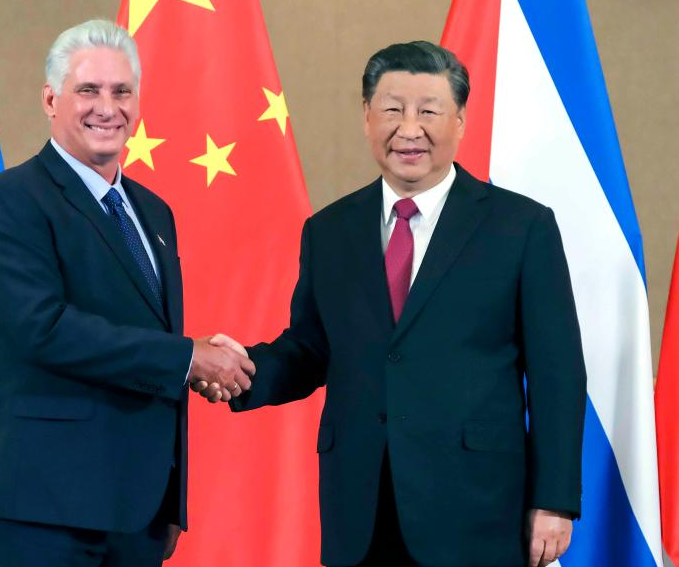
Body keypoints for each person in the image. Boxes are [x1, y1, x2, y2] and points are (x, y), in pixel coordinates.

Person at [200, 41, 586, 567]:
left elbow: (557, 373)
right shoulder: (329, 231)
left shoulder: (521, 227)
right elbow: (312, 349)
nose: (409, 129)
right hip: (361, 506)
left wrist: (554, 501)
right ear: (366, 117)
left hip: (476, 507)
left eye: (428, 110)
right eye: (391, 109)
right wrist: (243, 371)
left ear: (460, 120)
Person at [0, 19, 253, 567]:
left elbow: (151, 339)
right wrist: (189, 357)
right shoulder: (9, 202)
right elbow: (41, 329)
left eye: (122, 91)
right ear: (51, 99)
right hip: (42, 506)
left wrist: (173, 497)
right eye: (88, 90)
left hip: (137, 509)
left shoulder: (154, 211)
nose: (107, 107)